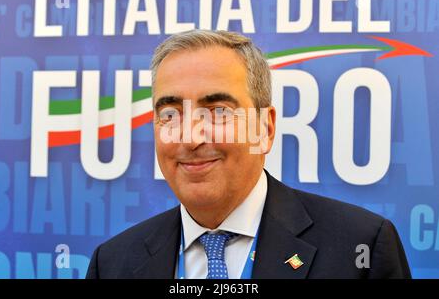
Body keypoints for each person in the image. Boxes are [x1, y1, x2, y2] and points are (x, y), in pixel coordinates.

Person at [86, 30, 411, 279]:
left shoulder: (361, 247)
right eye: (171, 114)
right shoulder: (113, 263)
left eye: (218, 111)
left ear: (265, 128)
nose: (191, 136)